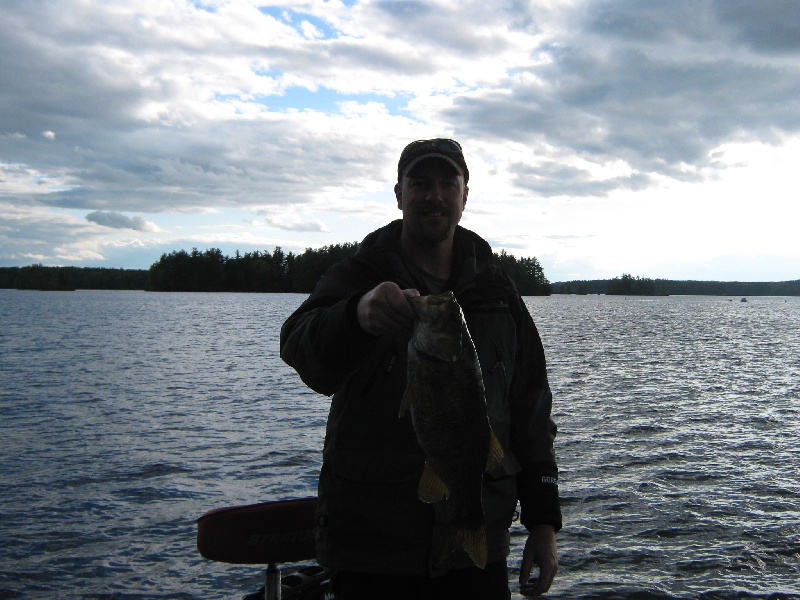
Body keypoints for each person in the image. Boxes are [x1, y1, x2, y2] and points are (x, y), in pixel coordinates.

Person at [280, 138, 561, 599]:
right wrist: (356, 316)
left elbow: (531, 408)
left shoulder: (497, 291)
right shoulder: (359, 275)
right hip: (373, 551)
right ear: (398, 194)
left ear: (465, 195)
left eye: (447, 183)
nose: (434, 195)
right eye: (420, 183)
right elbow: (300, 350)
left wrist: (544, 522)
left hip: (478, 554)